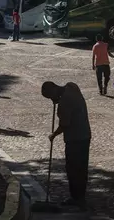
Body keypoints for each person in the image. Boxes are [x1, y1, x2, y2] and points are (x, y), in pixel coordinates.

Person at [42, 81, 91, 209]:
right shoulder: (72, 86)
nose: (52, 99)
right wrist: (58, 99)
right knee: (82, 167)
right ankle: (81, 197)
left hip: (74, 138)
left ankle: (76, 198)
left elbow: (65, 124)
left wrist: (53, 135)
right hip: (85, 134)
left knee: (73, 169)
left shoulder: (64, 103)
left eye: (50, 97)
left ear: (53, 91)